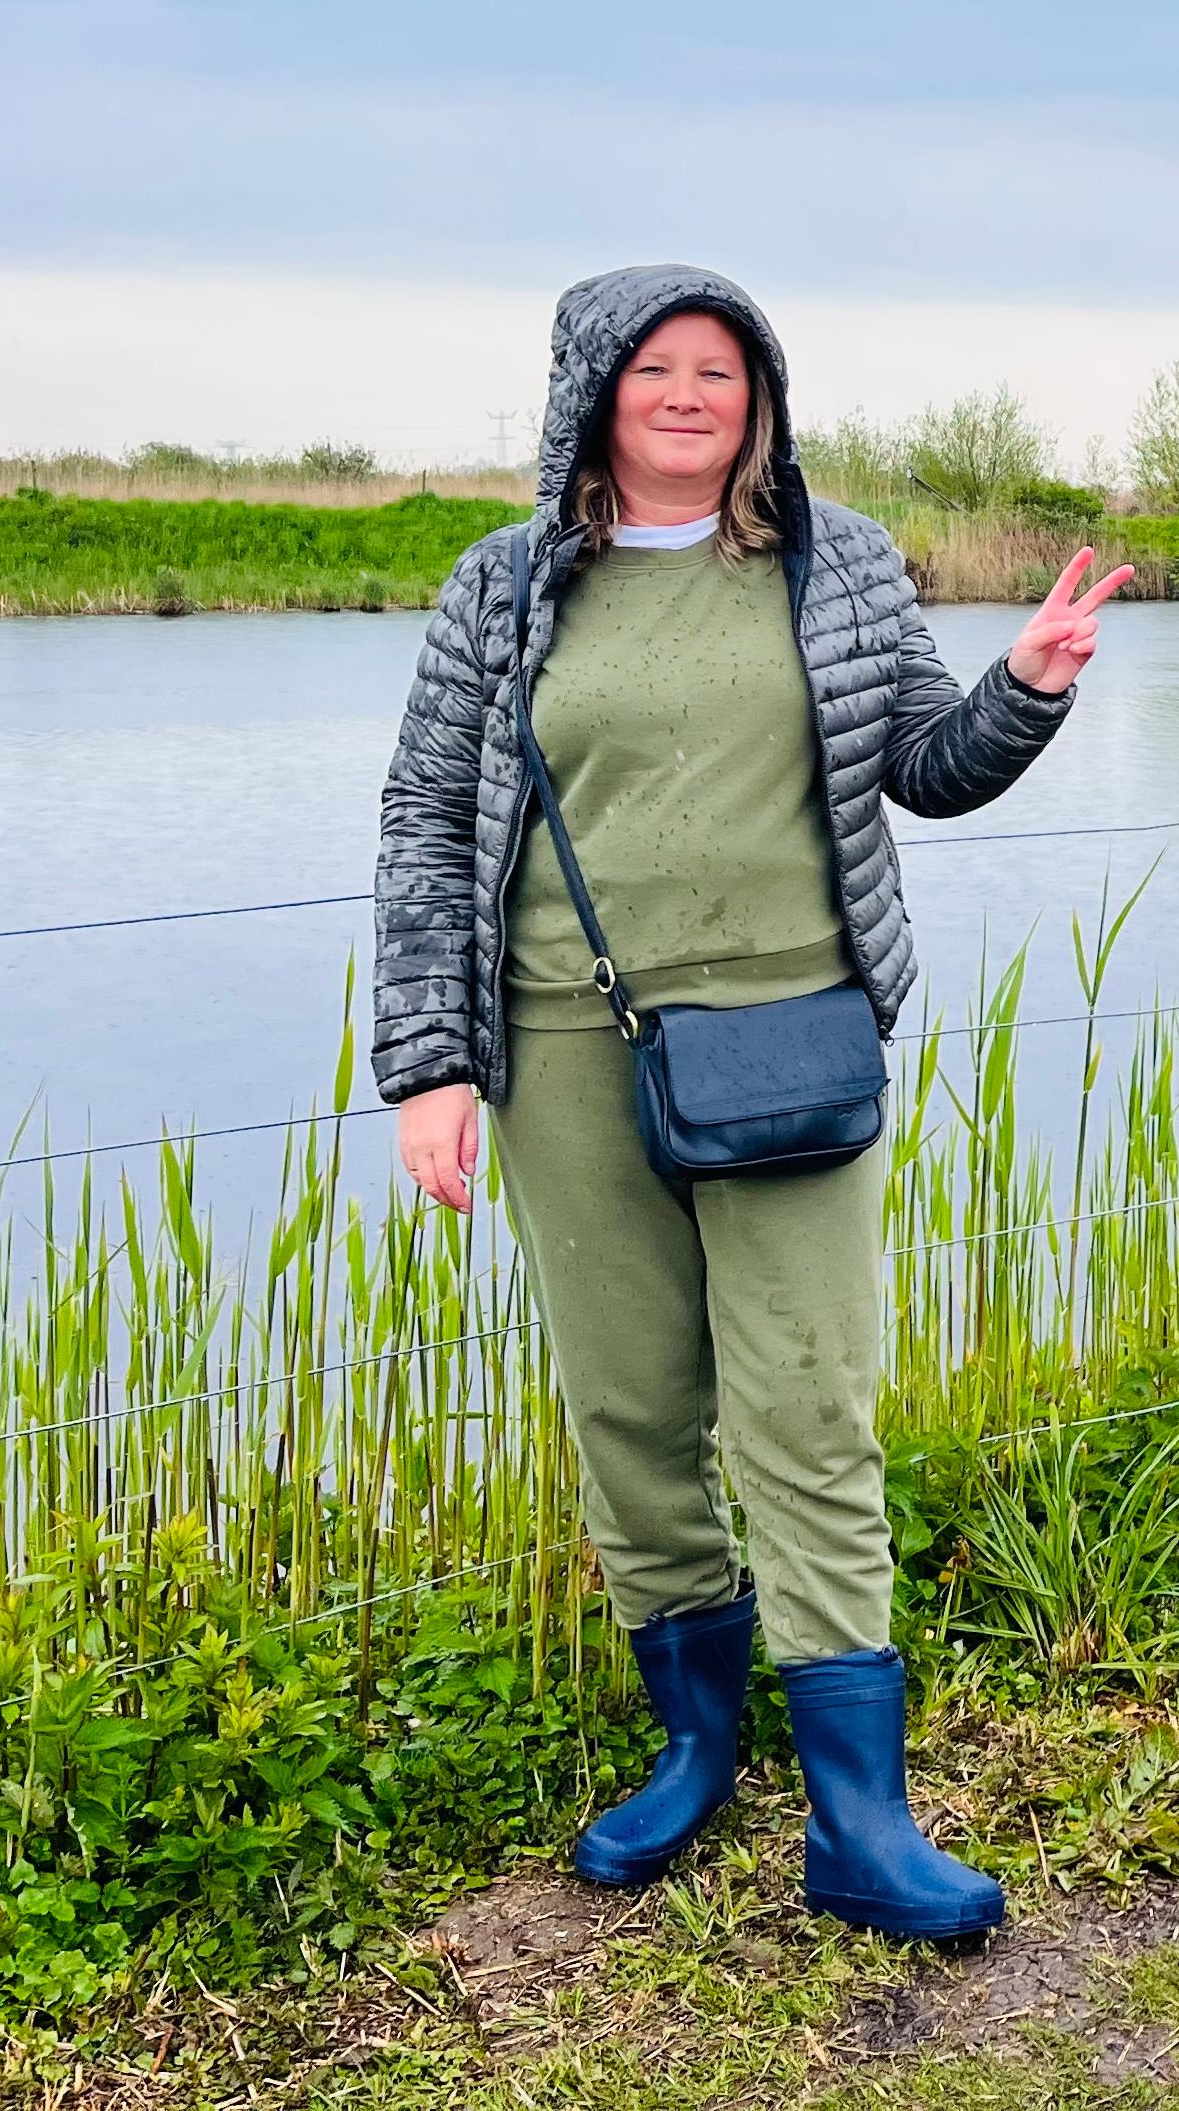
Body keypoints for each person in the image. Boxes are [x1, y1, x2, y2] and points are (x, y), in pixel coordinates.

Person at [372, 265, 1129, 1943]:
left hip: (795, 1043)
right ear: (592, 391)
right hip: (566, 1052)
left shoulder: (835, 560)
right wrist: (431, 1061)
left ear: (760, 396)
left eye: (722, 369)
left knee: (807, 1406)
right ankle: (696, 1748)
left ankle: (863, 1819)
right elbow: (427, 820)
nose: (693, 395)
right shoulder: (499, 592)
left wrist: (1031, 685)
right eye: (660, 369)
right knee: (631, 1409)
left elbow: (923, 764)